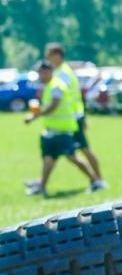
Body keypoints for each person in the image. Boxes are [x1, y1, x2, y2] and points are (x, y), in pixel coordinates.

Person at [23, 62, 94, 196]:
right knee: (48, 158)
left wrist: (35, 116)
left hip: (62, 130)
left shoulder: (57, 85)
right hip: (51, 130)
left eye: (41, 73)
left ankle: (95, 180)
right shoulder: (49, 86)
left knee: (72, 157)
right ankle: (42, 186)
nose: (40, 76)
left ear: (48, 72)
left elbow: (54, 106)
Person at [44, 43, 105, 191]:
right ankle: (97, 180)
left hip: (72, 118)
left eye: (49, 55)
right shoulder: (62, 70)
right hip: (72, 117)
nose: (47, 58)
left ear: (57, 55)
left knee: (82, 150)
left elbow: (63, 97)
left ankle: (98, 181)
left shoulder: (62, 73)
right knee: (76, 150)